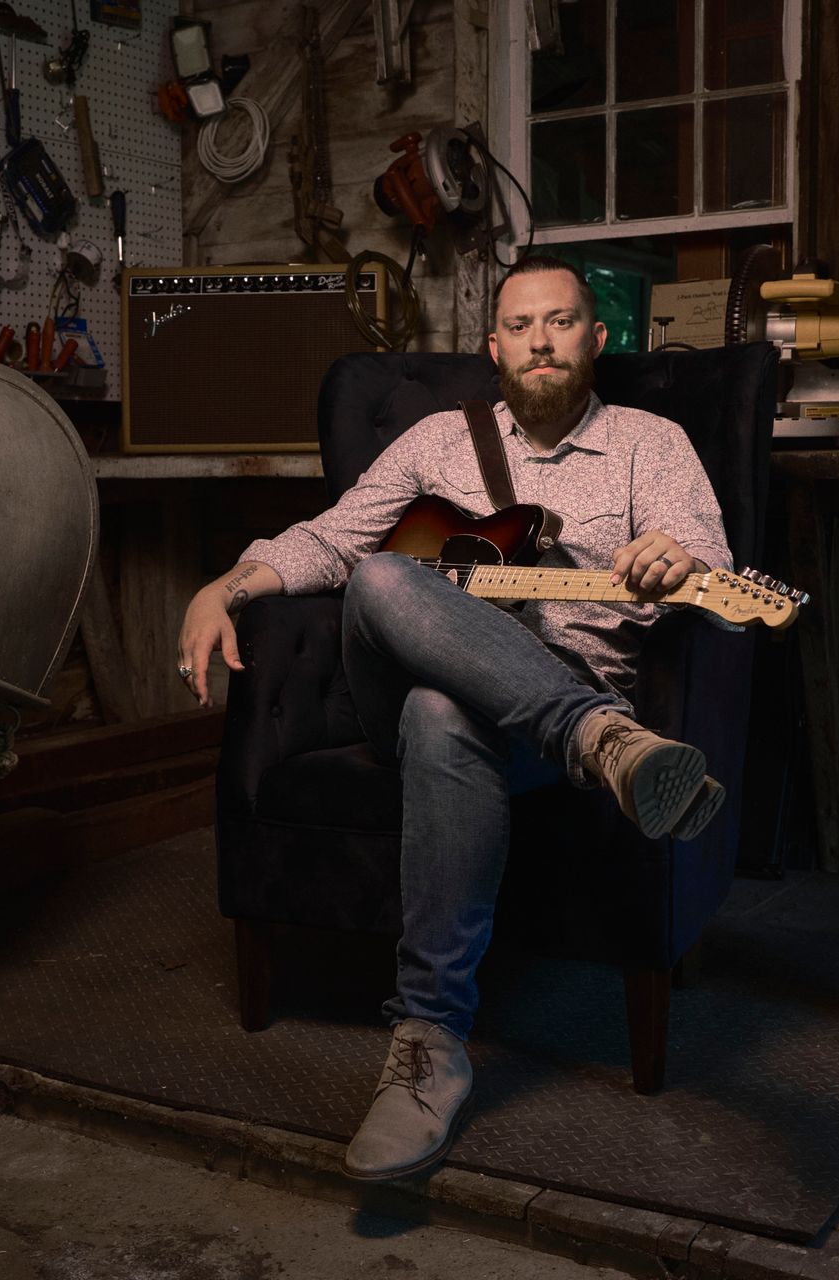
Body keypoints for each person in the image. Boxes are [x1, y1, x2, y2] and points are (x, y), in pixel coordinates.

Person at [175, 255, 734, 1183]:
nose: (541, 341)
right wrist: (222, 587)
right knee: (388, 574)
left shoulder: (653, 444)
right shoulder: (439, 440)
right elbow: (329, 539)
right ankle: (604, 739)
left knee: (446, 713)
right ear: (494, 346)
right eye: (521, 326)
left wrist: (680, 560)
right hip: (410, 684)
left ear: (596, 339)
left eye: (560, 323)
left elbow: (713, 580)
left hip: (531, 711)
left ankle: (430, 1046)